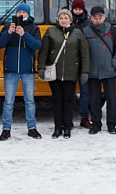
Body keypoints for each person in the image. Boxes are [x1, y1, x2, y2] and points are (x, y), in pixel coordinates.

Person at [38, 9, 90, 139]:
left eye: (66, 17)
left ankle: (67, 127)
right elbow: (44, 51)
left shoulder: (77, 33)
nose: (63, 20)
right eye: (61, 17)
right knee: (57, 100)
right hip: (54, 73)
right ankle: (57, 128)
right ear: (57, 19)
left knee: (68, 100)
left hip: (71, 73)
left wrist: (85, 71)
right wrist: (41, 67)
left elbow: (84, 53)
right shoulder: (51, 32)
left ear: (70, 20)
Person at [0, 3, 42, 141]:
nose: (21, 14)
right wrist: (9, 32)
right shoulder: (7, 27)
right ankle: (6, 129)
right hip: (11, 70)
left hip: (28, 70)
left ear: (28, 14)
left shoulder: (34, 28)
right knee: (8, 101)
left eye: (24, 12)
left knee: (30, 101)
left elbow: (37, 45)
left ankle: (32, 128)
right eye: (19, 12)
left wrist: (24, 34)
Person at [82, 5, 116, 134]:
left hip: (109, 72)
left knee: (111, 99)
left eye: (100, 17)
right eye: (94, 18)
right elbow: (82, 52)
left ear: (104, 17)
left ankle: (111, 125)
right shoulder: (85, 31)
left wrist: (114, 65)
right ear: (91, 18)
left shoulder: (112, 30)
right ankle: (96, 124)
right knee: (94, 100)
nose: (97, 20)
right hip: (92, 72)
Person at [71, 0, 92, 128]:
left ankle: (84, 117)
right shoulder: (67, 21)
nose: (78, 11)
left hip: (84, 62)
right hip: (71, 63)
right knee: (70, 92)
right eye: (75, 9)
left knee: (85, 92)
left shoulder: (89, 24)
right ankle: (69, 118)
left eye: (80, 9)